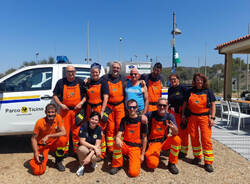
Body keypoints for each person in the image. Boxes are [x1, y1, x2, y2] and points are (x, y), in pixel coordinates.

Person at [182, 73, 216, 173]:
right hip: (192, 117)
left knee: (206, 139)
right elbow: (185, 104)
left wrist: (213, 118)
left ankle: (208, 162)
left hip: (204, 118)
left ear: (204, 81)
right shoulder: (190, 91)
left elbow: (213, 105)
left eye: (201, 80)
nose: (199, 82)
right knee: (194, 137)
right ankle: (197, 157)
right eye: (197, 80)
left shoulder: (208, 92)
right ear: (194, 81)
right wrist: (183, 114)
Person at [53, 65, 86, 160]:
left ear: (75, 72)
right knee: (64, 132)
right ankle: (64, 152)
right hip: (65, 111)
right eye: (68, 71)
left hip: (77, 111)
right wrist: (60, 105)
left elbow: (86, 96)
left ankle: (76, 152)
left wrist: (81, 103)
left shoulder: (80, 82)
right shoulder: (60, 82)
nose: (70, 73)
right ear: (65, 72)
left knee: (77, 132)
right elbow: (54, 95)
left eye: (72, 71)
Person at [109, 99, 147, 177]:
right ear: (127, 108)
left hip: (135, 148)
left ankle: (129, 158)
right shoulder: (124, 119)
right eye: (130, 107)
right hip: (125, 146)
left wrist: (142, 154)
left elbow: (145, 138)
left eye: (134, 107)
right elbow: (119, 132)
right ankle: (117, 165)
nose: (132, 109)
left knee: (133, 173)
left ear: (137, 108)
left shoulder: (142, 121)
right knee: (116, 142)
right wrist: (117, 138)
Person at [145, 98, 181, 174]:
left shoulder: (170, 116)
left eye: (164, 105)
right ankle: (148, 153)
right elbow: (141, 118)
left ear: (167, 106)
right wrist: (142, 118)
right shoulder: (151, 114)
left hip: (164, 141)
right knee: (152, 164)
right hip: (153, 143)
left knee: (177, 139)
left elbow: (176, 132)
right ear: (157, 106)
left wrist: (174, 129)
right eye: (160, 105)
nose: (162, 107)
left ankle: (172, 163)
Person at [29, 104, 67, 175]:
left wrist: (49, 136)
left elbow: (64, 132)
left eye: (53, 112)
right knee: (38, 171)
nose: (51, 114)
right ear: (45, 112)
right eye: (49, 112)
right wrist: (36, 152)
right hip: (43, 145)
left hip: (53, 142)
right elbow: (33, 138)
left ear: (56, 112)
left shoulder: (58, 117)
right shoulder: (39, 122)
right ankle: (38, 159)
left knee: (63, 139)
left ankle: (58, 161)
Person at [82, 63, 109, 160]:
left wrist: (102, 111)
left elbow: (106, 97)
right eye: (93, 72)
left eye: (96, 72)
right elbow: (86, 95)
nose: (95, 74)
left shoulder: (103, 82)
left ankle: (102, 154)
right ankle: (91, 150)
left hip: (98, 108)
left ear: (99, 72)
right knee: (90, 129)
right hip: (90, 108)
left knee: (100, 130)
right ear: (90, 73)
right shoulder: (88, 83)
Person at [102, 62, 126, 153]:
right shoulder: (105, 77)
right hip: (109, 107)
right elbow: (95, 80)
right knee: (110, 128)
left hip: (120, 106)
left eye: (117, 68)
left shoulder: (123, 78)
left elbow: (134, 80)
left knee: (120, 127)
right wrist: (88, 80)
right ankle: (111, 149)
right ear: (111, 68)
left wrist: (141, 81)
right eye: (114, 67)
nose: (115, 69)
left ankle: (120, 147)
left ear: (119, 69)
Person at [168, 74, 189, 158]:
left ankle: (183, 151)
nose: (173, 81)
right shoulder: (170, 89)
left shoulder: (183, 88)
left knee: (183, 133)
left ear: (178, 79)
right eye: (171, 79)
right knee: (175, 131)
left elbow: (187, 101)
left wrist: (184, 114)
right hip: (173, 113)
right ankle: (176, 148)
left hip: (181, 113)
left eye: (174, 79)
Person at [76, 111, 102, 176]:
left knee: (97, 154)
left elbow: (97, 144)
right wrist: (94, 147)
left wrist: (89, 156)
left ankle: (93, 162)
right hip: (85, 147)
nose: (93, 121)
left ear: (98, 121)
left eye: (96, 120)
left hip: (93, 149)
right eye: (92, 119)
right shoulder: (84, 126)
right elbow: (82, 141)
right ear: (89, 119)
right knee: (81, 149)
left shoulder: (99, 129)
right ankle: (82, 165)